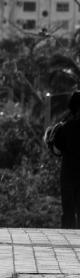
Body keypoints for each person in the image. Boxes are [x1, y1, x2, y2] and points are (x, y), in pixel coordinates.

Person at [53, 90, 80, 228]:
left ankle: (68, 243)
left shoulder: (67, 128)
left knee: (68, 213)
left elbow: (56, 147)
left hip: (68, 176)